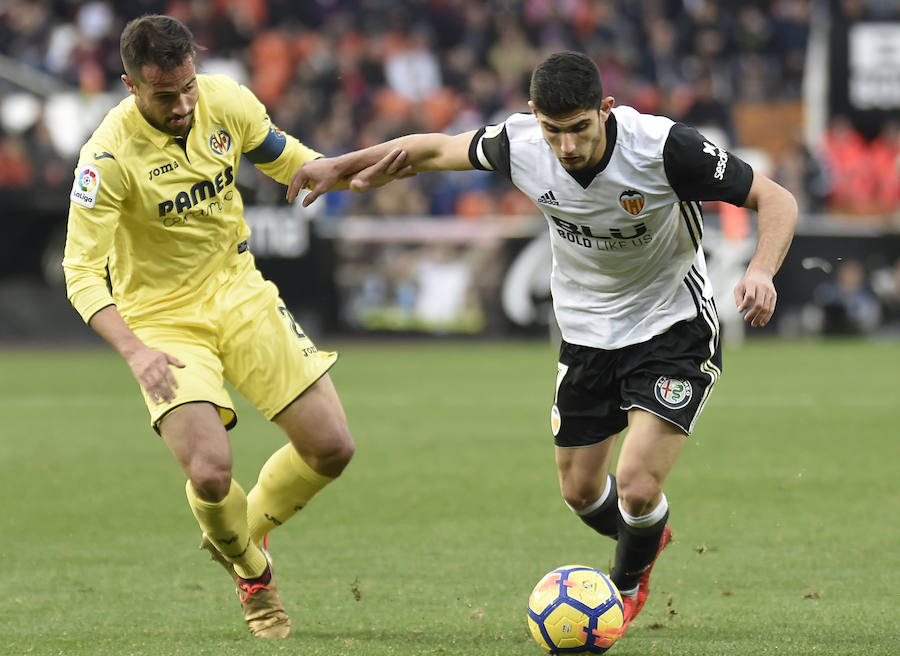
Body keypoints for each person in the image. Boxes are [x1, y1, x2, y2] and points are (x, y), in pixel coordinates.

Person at [288, 51, 798, 637]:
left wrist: (760, 270)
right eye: (554, 130)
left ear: (605, 110)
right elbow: (430, 150)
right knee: (581, 492)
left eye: (580, 128)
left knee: (635, 483)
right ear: (535, 116)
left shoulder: (663, 148)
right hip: (585, 333)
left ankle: (626, 586)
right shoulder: (521, 142)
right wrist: (338, 168)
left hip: (671, 326)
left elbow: (775, 198)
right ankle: (647, 531)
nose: (568, 146)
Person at [61, 15, 394, 639]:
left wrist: (350, 169)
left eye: (189, 85)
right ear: (131, 86)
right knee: (211, 472)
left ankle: (244, 533)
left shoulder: (226, 101)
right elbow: (80, 273)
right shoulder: (104, 158)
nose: (185, 103)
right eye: (166, 94)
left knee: (332, 447)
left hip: (240, 292)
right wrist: (135, 351)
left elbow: (286, 159)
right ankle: (252, 574)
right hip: (162, 320)